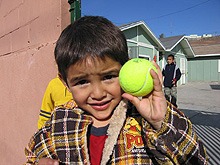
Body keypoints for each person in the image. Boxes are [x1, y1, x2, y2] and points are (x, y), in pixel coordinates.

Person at [24, 16, 208, 165]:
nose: (97, 93)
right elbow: (32, 157)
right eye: (81, 81)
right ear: (65, 82)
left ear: (125, 70)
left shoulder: (144, 118)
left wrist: (162, 122)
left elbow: (197, 160)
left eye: (108, 77)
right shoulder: (60, 122)